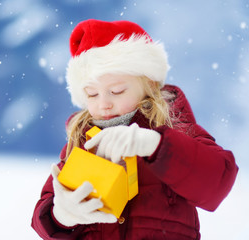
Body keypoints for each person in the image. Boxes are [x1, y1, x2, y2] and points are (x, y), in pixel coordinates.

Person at [31, 19, 238, 240]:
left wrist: (156, 145)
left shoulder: (177, 129)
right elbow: (42, 220)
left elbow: (217, 182)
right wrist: (61, 216)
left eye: (117, 91)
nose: (104, 104)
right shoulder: (80, 144)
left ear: (148, 84)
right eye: (92, 94)